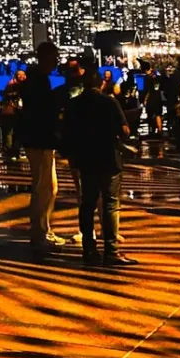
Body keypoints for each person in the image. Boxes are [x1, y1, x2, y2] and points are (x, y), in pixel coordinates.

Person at [62, 55, 136, 267]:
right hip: (108, 158)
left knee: (87, 204)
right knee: (111, 204)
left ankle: (89, 249)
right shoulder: (109, 102)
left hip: (86, 159)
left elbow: (67, 133)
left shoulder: (74, 105)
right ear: (101, 83)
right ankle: (111, 251)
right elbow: (124, 131)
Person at [18, 42, 67, 255]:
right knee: (42, 187)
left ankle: (44, 230)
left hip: (40, 140)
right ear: (45, 58)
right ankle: (39, 234)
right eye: (54, 57)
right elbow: (42, 108)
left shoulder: (36, 79)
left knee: (50, 187)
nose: (56, 61)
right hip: (40, 140)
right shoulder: (38, 80)